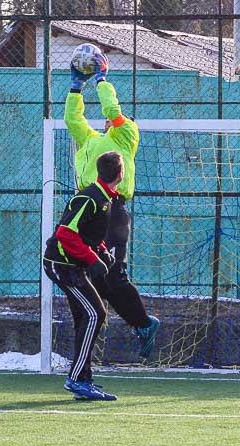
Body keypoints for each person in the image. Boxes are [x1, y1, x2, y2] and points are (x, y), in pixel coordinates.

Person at [64, 51, 160, 359]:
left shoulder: (126, 136)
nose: (111, 117)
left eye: (118, 117)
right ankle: (93, 334)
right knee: (93, 276)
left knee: (113, 274)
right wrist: (76, 87)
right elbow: (72, 119)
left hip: (113, 212)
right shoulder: (91, 141)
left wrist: (103, 78)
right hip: (88, 212)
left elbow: (111, 108)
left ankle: (144, 323)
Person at [44, 151, 124, 401]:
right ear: (120, 174)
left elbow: (88, 232)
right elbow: (66, 234)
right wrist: (92, 260)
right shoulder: (89, 198)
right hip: (61, 264)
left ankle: (84, 379)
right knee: (96, 313)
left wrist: (101, 251)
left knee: (84, 316)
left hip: (73, 264)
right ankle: (76, 379)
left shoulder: (105, 199)